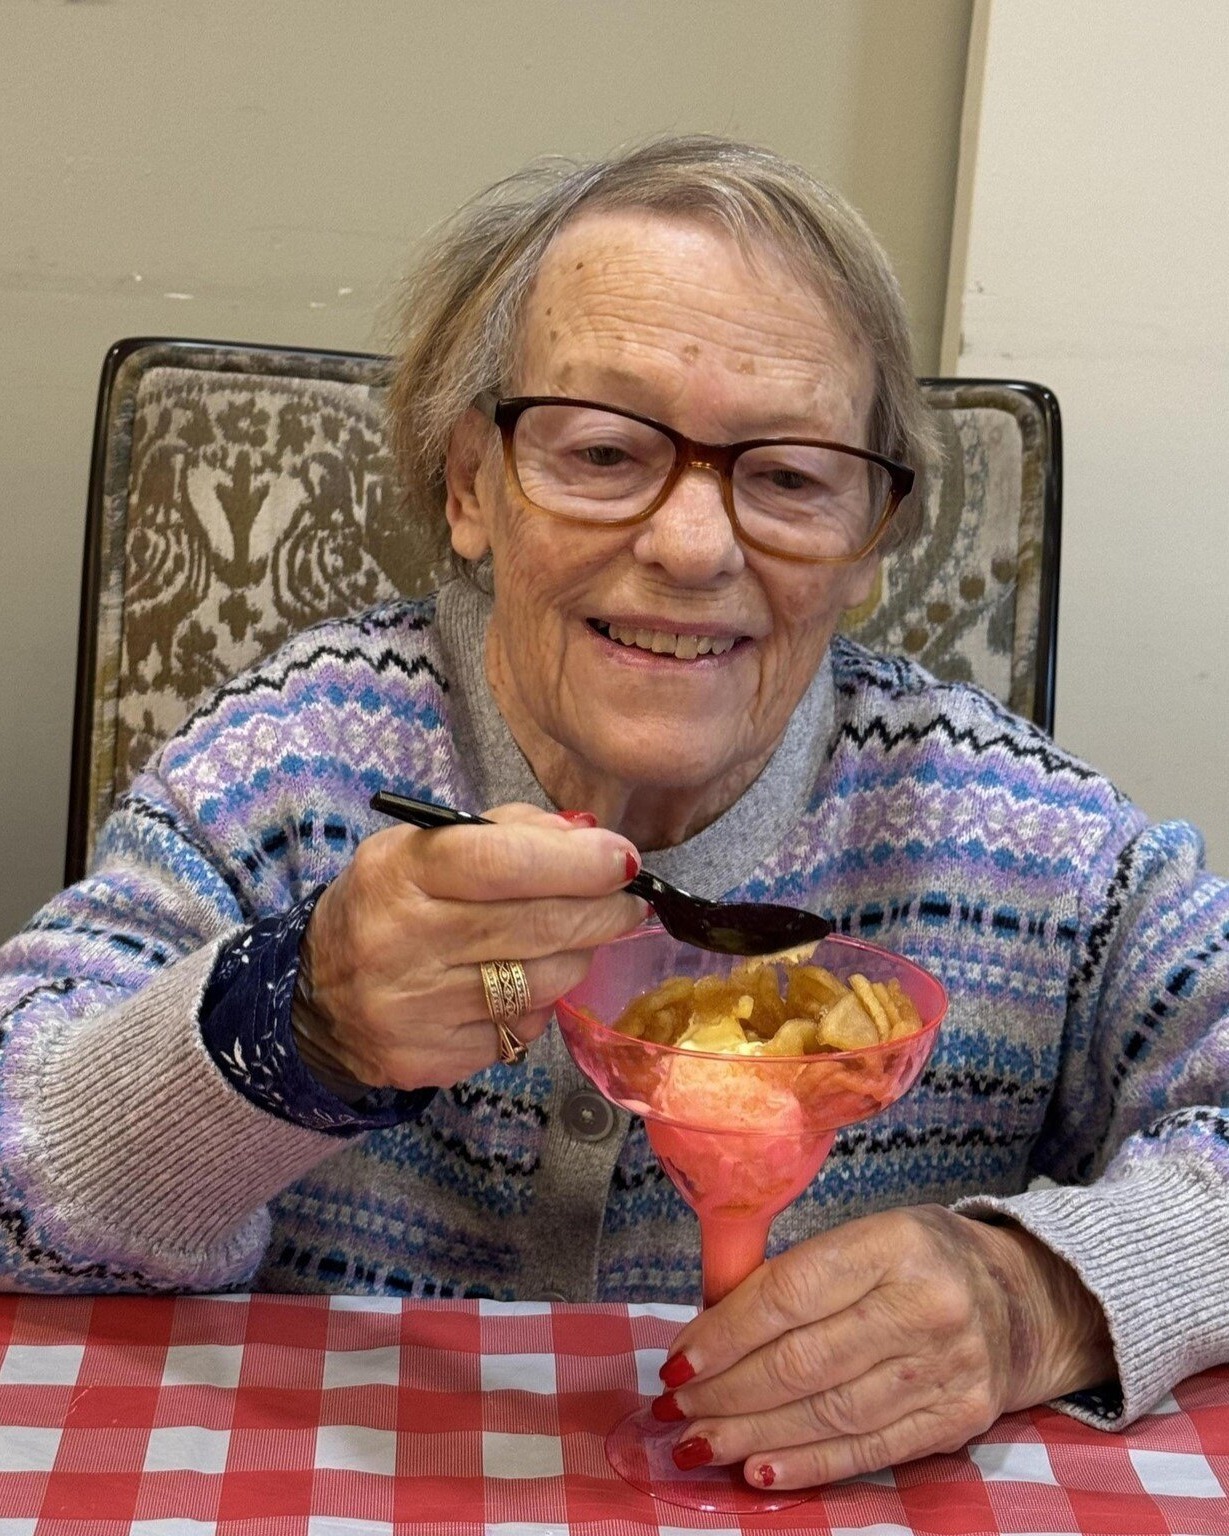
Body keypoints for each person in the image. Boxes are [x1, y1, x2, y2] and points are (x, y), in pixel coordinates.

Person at [0, 136, 1225, 1494]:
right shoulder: (284, 767)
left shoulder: (1030, 845)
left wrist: (1029, 1296)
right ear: (468, 485)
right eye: (601, 449)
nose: (694, 546)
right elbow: (17, 1170)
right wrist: (295, 1021)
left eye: (791, 478)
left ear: (871, 544)